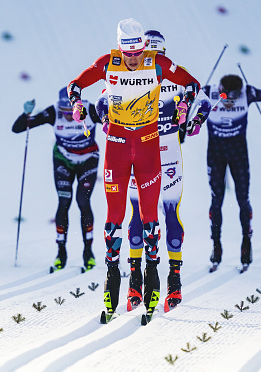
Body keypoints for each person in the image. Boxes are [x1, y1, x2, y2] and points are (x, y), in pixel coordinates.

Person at [68, 18, 201, 319]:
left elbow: (193, 84)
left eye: (138, 53)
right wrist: (77, 105)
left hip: (148, 145)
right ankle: (114, 279)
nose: (133, 59)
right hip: (116, 145)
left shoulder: (157, 62)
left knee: (151, 216)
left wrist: (183, 106)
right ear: (120, 48)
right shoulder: (107, 63)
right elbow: (75, 85)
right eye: (128, 53)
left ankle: (154, 276)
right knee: (115, 216)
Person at [95, 30, 193, 313]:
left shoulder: (171, 74)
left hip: (168, 157)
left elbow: (203, 97)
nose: (153, 59)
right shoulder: (130, 76)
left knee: (170, 214)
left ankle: (174, 280)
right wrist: (104, 117)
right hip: (137, 152)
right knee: (138, 215)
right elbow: (104, 97)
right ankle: (135, 280)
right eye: (150, 54)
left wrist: (193, 116)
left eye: (157, 54)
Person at [186, 74, 261, 271]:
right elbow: (188, 98)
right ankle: (216, 245)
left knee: (242, 199)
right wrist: (182, 127)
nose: (228, 103)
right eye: (225, 98)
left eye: (233, 100)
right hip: (216, 154)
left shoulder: (248, 93)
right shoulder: (209, 92)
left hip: (238, 154)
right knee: (216, 199)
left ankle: (246, 242)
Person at [11, 88, 101, 272]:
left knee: (83, 201)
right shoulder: (53, 112)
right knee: (64, 201)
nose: (68, 115)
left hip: (88, 159)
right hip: (62, 160)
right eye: (64, 111)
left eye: (71, 111)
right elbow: (18, 128)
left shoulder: (91, 110)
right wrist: (27, 113)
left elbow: (118, 124)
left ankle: (88, 251)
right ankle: (61, 252)